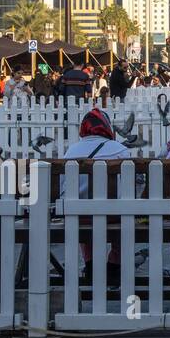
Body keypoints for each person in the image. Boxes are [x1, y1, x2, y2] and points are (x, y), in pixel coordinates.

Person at [63, 108, 132, 277]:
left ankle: (90, 262)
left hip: (79, 215)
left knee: (84, 215)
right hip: (114, 214)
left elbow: (63, 185)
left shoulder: (72, 151)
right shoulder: (120, 150)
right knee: (124, 218)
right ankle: (115, 263)